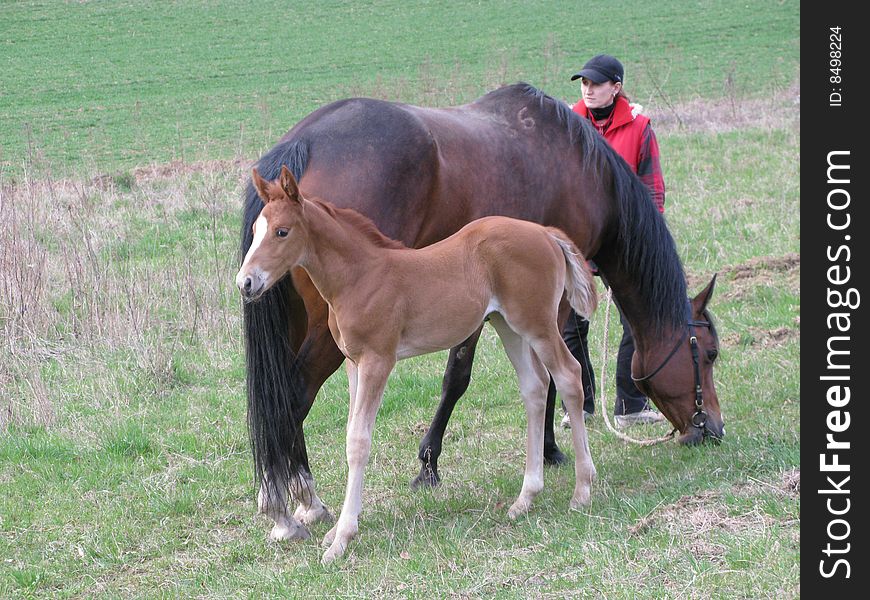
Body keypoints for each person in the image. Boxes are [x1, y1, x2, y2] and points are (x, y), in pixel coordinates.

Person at [554, 54, 666, 429]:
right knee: (571, 323)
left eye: (596, 84)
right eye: (584, 84)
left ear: (615, 88)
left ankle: (629, 403)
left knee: (634, 320)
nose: (588, 90)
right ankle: (582, 402)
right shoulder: (566, 126)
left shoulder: (640, 128)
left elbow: (652, 193)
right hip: (580, 240)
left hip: (625, 245)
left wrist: (644, 249)